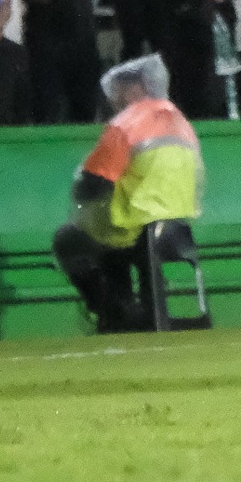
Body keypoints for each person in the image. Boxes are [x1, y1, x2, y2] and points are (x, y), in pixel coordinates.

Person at [51, 55, 203, 333]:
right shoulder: (180, 121)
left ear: (136, 89)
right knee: (115, 236)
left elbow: (94, 182)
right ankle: (137, 308)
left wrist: (81, 187)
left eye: (120, 89)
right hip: (177, 226)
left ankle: (112, 309)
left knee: (69, 239)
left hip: (134, 222)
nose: (115, 98)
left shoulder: (126, 124)